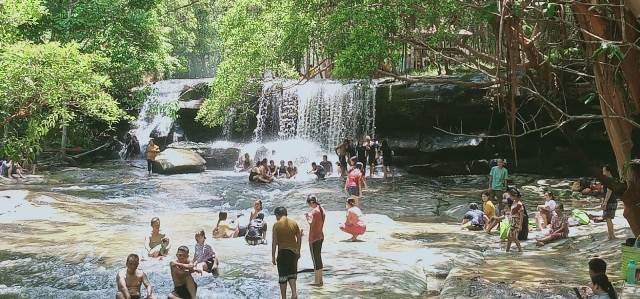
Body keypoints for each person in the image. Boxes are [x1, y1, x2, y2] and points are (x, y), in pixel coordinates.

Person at [271, 207, 302, 299]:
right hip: (293, 252)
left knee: (283, 277)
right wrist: (298, 250)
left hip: (283, 253)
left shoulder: (276, 225)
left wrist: (273, 256)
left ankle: (284, 297)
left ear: (277, 215)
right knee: (292, 274)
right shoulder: (294, 223)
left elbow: (274, 242)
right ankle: (294, 293)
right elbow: (299, 237)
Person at [305, 195, 325, 286]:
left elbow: (311, 224)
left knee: (315, 260)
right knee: (318, 258)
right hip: (320, 236)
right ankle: (320, 279)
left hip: (314, 238)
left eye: (309, 204)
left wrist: (307, 217)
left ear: (312, 202)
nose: (309, 206)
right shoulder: (321, 209)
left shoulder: (314, 212)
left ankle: (317, 281)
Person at [601, 165, 618, 240]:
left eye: (604, 171)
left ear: (608, 171)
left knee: (608, 219)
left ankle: (611, 236)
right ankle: (611, 235)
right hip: (612, 201)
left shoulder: (609, 180)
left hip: (610, 202)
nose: (603, 172)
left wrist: (605, 202)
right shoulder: (611, 179)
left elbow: (609, 191)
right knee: (609, 219)